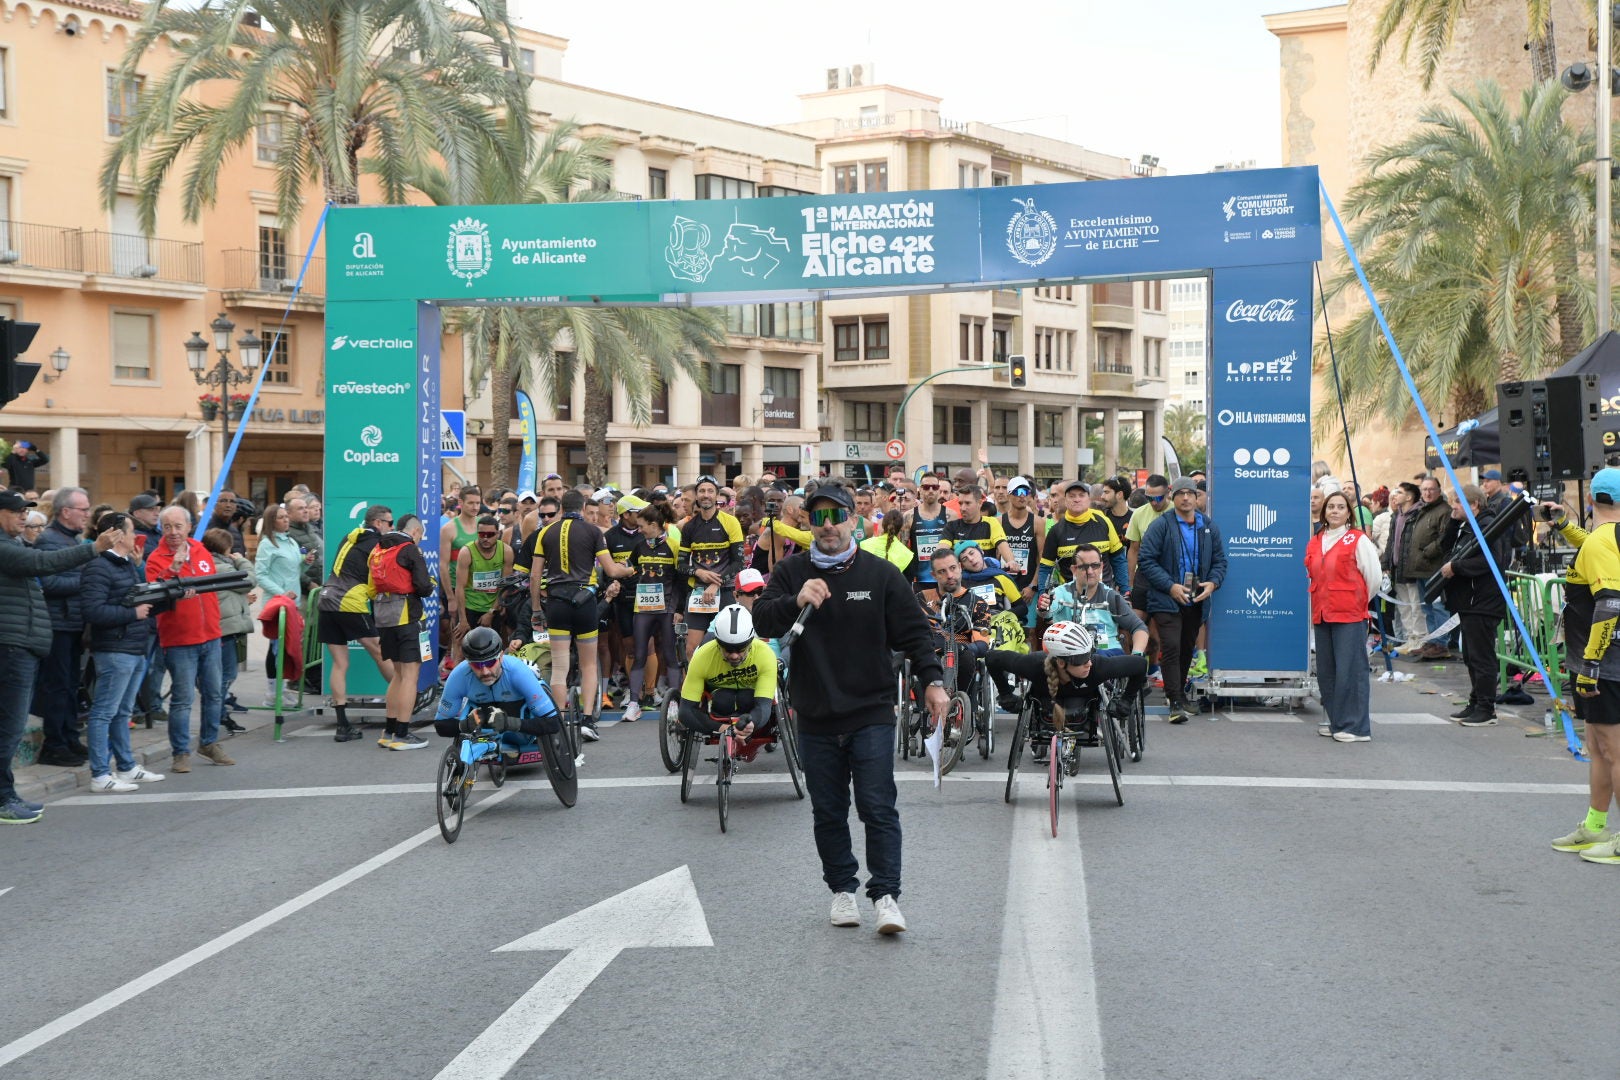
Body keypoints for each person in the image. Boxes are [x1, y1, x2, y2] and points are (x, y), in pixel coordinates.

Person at [752, 481, 947, 935]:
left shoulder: (881, 575)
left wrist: (933, 682)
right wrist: (795, 600)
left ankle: (886, 896)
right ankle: (842, 889)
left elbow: (916, 635)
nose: (828, 526)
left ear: (853, 520)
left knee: (877, 807)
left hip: (871, 708)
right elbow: (761, 618)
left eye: (836, 516)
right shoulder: (791, 571)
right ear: (809, 523)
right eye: (818, 517)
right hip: (815, 713)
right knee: (828, 810)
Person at [1, 492, 118, 822]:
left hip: (21, 646)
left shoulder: (14, 544)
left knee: (9, 728)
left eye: (26, 511)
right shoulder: (6, 548)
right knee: (9, 728)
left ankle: (6, 794)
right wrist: (94, 549)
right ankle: (3, 798)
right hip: (12, 648)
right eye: (16, 511)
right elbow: (43, 565)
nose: (23, 516)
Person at [520, 489, 634, 740]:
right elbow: (612, 571)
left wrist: (536, 609)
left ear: (561, 509)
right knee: (588, 664)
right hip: (584, 601)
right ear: (583, 508)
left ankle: (559, 721)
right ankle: (587, 721)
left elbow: (535, 576)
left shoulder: (546, 532)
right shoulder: (593, 532)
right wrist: (630, 570)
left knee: (560, 667)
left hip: (556, 602)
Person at [1552, 468, 1620, 863]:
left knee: (1613, 750)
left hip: (1604, 662)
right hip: (1599, 660)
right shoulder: (1604, 538)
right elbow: (1593, 545)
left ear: (1592, 500)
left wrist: (1591, 663)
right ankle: (1595, 826)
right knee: (1597, 746)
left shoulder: (1602, 540)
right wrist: (1564, 526)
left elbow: (1610, 602)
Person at [80, 513, 166, 791]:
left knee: (122, 712)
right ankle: (100, 774)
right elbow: (93, 611)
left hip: (133, 647)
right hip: (115, 649)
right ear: (117, 535)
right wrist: (132, 614)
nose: (136, 538)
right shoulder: (98, 566)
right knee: (104, 712)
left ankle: (126, 767)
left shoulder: (127, 563)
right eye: (131, 532)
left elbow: (138, 598)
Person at [147, 506, 236, 772]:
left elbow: (211, 589)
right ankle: (180, 752)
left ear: (188, 527)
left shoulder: (200, 549)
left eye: (178, 526)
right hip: (179, 640)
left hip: (210, 636)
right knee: (183, 699)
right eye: (167, 527)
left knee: (214, 694)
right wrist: (173, 569)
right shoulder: (156, 558)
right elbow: (153, 594)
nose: (173, 532)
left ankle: (209, 743)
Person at [987, 622, 1148, 763]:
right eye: (1081, 660)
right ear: (1061, 662)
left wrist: (1126, 700)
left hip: (1084, 707)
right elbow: (991, 658)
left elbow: (1140, 665)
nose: (1089, 664)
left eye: (1089, 656)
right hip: (1046, 705)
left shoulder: (1098, 666)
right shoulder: (1034, 665)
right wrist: (1006, 694)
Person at [1136, 477, 1227, 723]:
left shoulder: (1208, 526)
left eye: (1190, 493)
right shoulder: (1161, 525)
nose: (1185, 498)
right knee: (1172, 646)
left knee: (1187, 647)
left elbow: (1220, 561)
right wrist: (1170, 586)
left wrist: (1213, 582)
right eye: (1180, 493)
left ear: (1197, 497)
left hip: (1196, 598)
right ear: (1172, 497)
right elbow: (1146, 560)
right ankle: (1174, 700)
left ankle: (1180, 694)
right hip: (1166, 598)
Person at [317, 505, 398, 743]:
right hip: (349, 602)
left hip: (326, 599)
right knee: (380, 652)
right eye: (389, 523)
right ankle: (405, 699)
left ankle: (342, 725)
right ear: (378, 523)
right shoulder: (377, 544)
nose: (392, 527)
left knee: (340, 663)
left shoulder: (350, 537)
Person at [1306, 491, 1381, 742]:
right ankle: (1337, 721)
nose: (1335, 511)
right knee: (1327, 671)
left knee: (1351, 670)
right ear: (1324, 512)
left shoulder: (1358, 539)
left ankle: (1355, 727)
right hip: (1322, 613)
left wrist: (1356, 599)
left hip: (1349, 613)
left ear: (1349, 512)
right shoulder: (1316, 540)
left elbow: (1373, 577)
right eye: (1331, 507)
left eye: (1340, 507)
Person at [1438, 485, 1511, 727]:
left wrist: (1456, 567)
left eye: (1458, 503)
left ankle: (1486, 708)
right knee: (1470, 656)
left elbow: (1491, 561)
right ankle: (1476, 701)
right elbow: (1445, 547)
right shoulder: (1468, 526)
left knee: (1481, 657)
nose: (1453, 507)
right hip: (1469, 600)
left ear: (1474, 505)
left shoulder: (1489, 526)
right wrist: (1452, 521)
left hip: (1483, 600)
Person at [32, 485, 94, 766]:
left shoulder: (71, 539)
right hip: (58, 624)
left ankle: (69, 737)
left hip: (72, 622)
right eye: (83, 509)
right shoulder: (48, 540)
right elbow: (50, 583)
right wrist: (86, 582)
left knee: (70, 685)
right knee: (57, 686)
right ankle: (54, 744)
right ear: (66, 512)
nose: (87, 514)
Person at [370, 514, 436, 750]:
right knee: (410, 675)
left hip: (384, 616)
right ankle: (402, 734)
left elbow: (371, 587)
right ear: (415, 531)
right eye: (421, 535)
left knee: (398, 675)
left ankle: (388, 731)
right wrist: (430, 583)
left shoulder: (378, 548)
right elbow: (424, 587)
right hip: (408, 616)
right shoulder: (410, 550)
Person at [433, 626, 562, 747]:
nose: (485, 672)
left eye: (490, 663)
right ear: (468, 662)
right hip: (482, 730)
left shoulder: (518, 671)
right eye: (477, 665)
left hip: (520, 729)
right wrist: (464, 725)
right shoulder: (459, 676)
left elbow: (553, 723)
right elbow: (440, 725)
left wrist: (510, 723)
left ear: (501, 657)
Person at [677, 604, 777, 746]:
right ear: (718, 643)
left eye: (740, 649)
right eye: (728, 650)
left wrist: (751, 723)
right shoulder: (702, 657)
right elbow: (686, 712)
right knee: (723, 700)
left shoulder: (765, 655)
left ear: (750, 643)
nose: (734, 656)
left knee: (745, 698)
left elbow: (764, 707)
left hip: (750, 702)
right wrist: (723, 729)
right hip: (720, 702)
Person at [676, 475, 746, 657]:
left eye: (710, 491)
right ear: (696, 495)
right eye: (701, 491)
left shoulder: (730, 522)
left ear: (716, 495)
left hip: (724, 592)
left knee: (726, 646)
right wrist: (698, 572)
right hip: (698, 593)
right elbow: (681, 565)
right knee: (691, 649)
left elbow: (739, 562)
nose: (705, 495)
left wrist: (717, 583)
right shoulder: (689, 527)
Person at [626, 501, 682, 719]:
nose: (638, 530)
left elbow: (681, 580)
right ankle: (633, 703)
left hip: (666, 608)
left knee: (670, 655)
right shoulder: (639, 546)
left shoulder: (674, 546)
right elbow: (630, 569)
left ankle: (674, 704)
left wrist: (678, 609)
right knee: (639, 654)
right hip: (643, 608)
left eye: (641, 526)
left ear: (653, 525)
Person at [1038, 480, 1128, 594]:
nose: (1077, 499)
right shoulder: (1056, 531)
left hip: (1104, 596)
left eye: (1081, 495)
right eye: (1072, 496)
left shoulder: (1104, 522)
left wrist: (1125, 591)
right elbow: (1045, 568)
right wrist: (1042, 595)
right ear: (1065, 501)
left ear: (1089, 499)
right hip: (1070, 598)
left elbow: (1118, 559)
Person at [1403, 476, 1455, 659]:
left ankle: (1441, 643)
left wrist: (1427, 552)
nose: (1427, 493)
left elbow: (1445, 538)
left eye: (1431, 489)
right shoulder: (1423, 510)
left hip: (1435, 568)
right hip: (1421, 569)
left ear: (1439, 491)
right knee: (1427, 608)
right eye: (1424, 489)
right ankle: (1433, 640)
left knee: (1438, 607)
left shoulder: (1444, 511)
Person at [454, 513, 514, 642]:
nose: (485, 538)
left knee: (493, 645)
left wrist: (491, 612)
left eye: (490, 534)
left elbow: (504, 586)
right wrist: (463, 619)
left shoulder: (506, 551)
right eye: (482, 534)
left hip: (493, 606)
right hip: (470, 607)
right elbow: (460, 587)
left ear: (498, 534)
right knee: (461, 645)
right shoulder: (467, 552)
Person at [439, 483, 483, 651]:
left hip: (479, 589)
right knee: (459, 636)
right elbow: (443, 565)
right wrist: (450, 598)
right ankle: (455, 663)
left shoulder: (483, 525)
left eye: (478, 503)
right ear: (461, 502)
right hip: (456, 587)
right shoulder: (449, 529)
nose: (475, 507)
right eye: (471, 503)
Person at [907, 472, 952, 594]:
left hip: (947, 579)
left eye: (934, 487)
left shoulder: (951, 515)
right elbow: (902, 549)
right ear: (920, 490)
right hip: (920, 579)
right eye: (926, 487)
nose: (930, 490)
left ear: (939, 489)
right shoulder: (909, 516)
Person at [858, 506, 916, 582]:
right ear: (901, 528)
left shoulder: (864, 544)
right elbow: (907, 584)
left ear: (882, 525)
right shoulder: (907, 555)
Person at [284, 496, 324, 596]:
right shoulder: (287, 533)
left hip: (318, 586)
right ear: (289, 513)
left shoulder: (309, 529)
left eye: (306, 507)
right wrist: (308, 583)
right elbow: (289, 566)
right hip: (300, 591)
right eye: (300, 508)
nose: (305, 511)